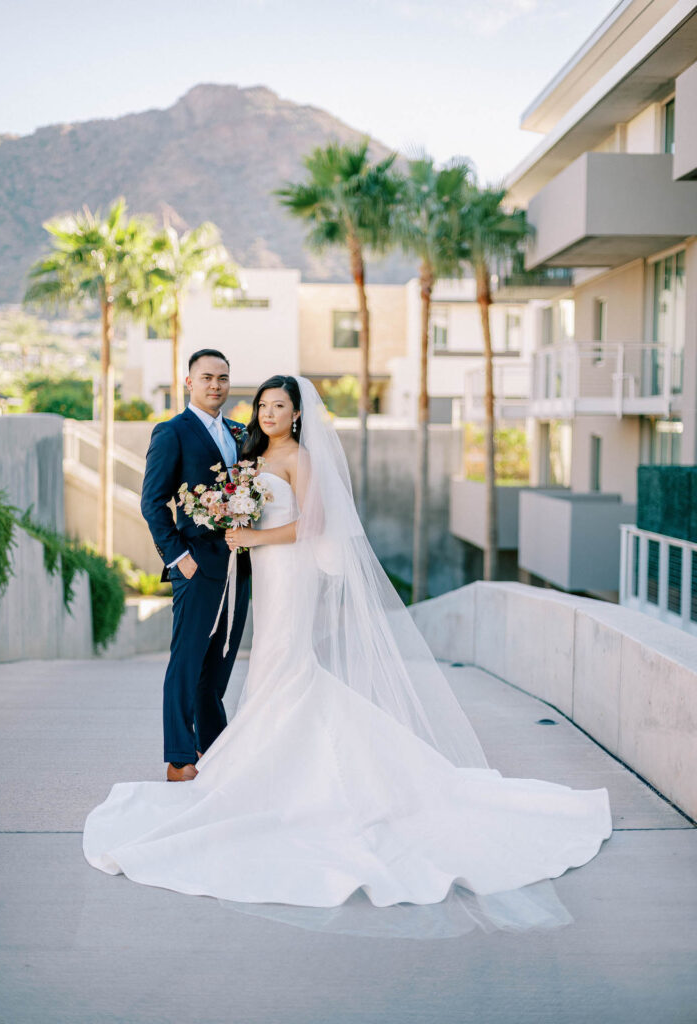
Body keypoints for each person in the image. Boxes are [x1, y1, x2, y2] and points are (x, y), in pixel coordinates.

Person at [84, 375, 612, 931]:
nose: (267, 414)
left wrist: (253, 538)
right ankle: (266, 764)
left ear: (296, 413)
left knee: (287, 661)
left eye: (279, 406)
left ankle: (284, 774)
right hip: (263, 572)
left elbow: (312, 525)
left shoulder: (302, 459)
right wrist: (231, 520)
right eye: (262, 405)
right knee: (269, 664)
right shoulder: (251, 452)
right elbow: (239, 508)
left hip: (288, 570)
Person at [139, 348, 250, 782]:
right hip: (195, 567)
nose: (215, 385)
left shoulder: (241, 433)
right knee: (186, 662)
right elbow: (152, 504)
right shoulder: (172, 432)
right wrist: (178, 558)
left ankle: (214, 748)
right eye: (206, 377)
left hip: (239, 569)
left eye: (222, 377)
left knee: (219, 665)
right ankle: (180, 758)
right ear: (189, 382)